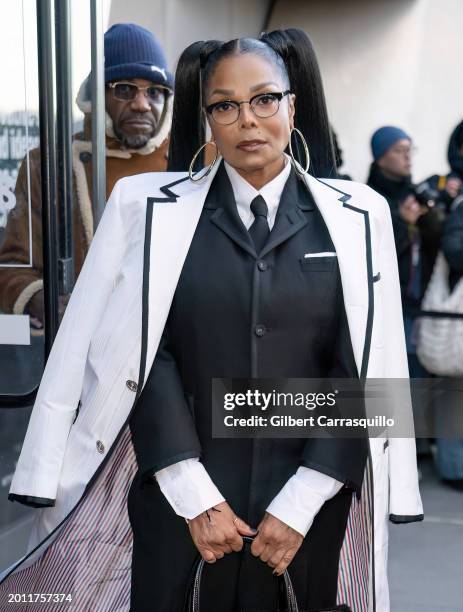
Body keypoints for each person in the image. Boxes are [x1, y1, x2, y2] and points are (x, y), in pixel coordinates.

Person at [0, 29, 422, 612]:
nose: (246, 120)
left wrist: (302, 501)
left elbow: (363, 367)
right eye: (225, 105)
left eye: (264, 99)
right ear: (206, 119)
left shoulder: (359, 215)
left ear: (292, 105)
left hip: (311, 500)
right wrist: (192, 493)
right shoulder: (146, 209)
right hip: (177, 498)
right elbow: (138, 355)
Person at [0, 23, 173, 327]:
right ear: (95, 96)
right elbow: (13, 265)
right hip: (88, 347)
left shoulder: (195, 160)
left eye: (155, 92)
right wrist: (41, 299)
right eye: (124, 89)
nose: (142, 104)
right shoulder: (47, 164)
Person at [367, 126, 442, 378]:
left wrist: (430, 215)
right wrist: (403, 223)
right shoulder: (368, 198)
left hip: (421, 306)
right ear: (380, 157)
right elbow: (372, 254)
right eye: (399, 151)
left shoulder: (417, 195)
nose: (407, 157)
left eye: (410, 150)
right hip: (387, 308)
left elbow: (439, 243)